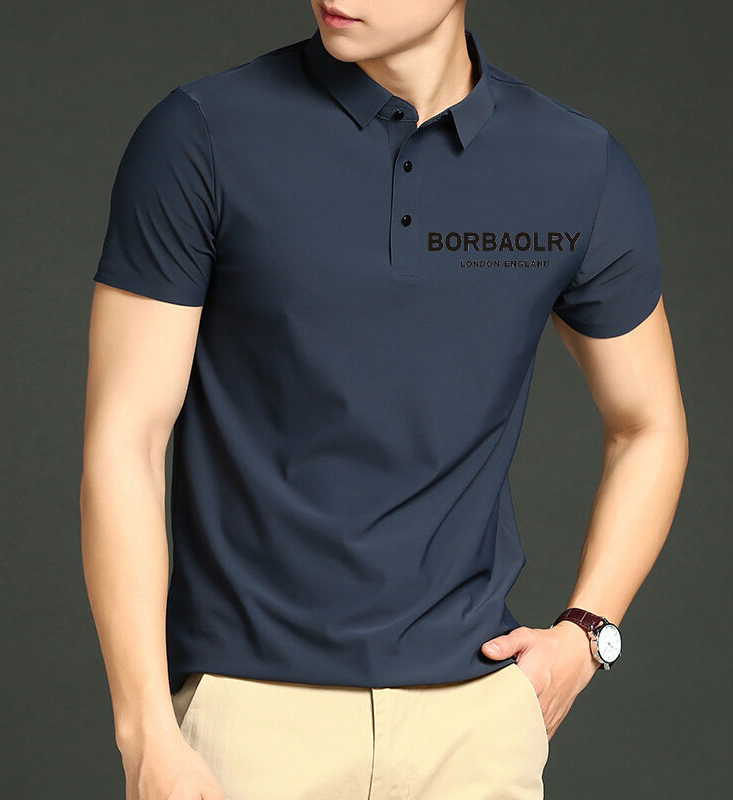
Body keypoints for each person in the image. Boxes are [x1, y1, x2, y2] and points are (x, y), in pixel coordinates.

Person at [81, 1, 688, 798]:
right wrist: (145, 733)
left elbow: (650, 424)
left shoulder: (575, 165)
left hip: (474, 732)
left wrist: (587, 632)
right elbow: (124, 439)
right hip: (251, 725)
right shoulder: (203, 135)